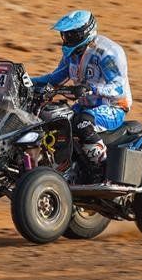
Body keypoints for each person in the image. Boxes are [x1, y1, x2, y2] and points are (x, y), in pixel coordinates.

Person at [31, 10, 132, 181]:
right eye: (65, 34)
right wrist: (26, 80)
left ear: (84, 33)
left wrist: (90, 88)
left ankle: (102, 170)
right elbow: (55, 78)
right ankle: (62, 168)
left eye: (70, 34)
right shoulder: (71, 55)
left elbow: (118, 88)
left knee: (81, 122)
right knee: (54, 120)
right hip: (84, 105)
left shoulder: (107, 53)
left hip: (113, 107)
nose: (66, 39)